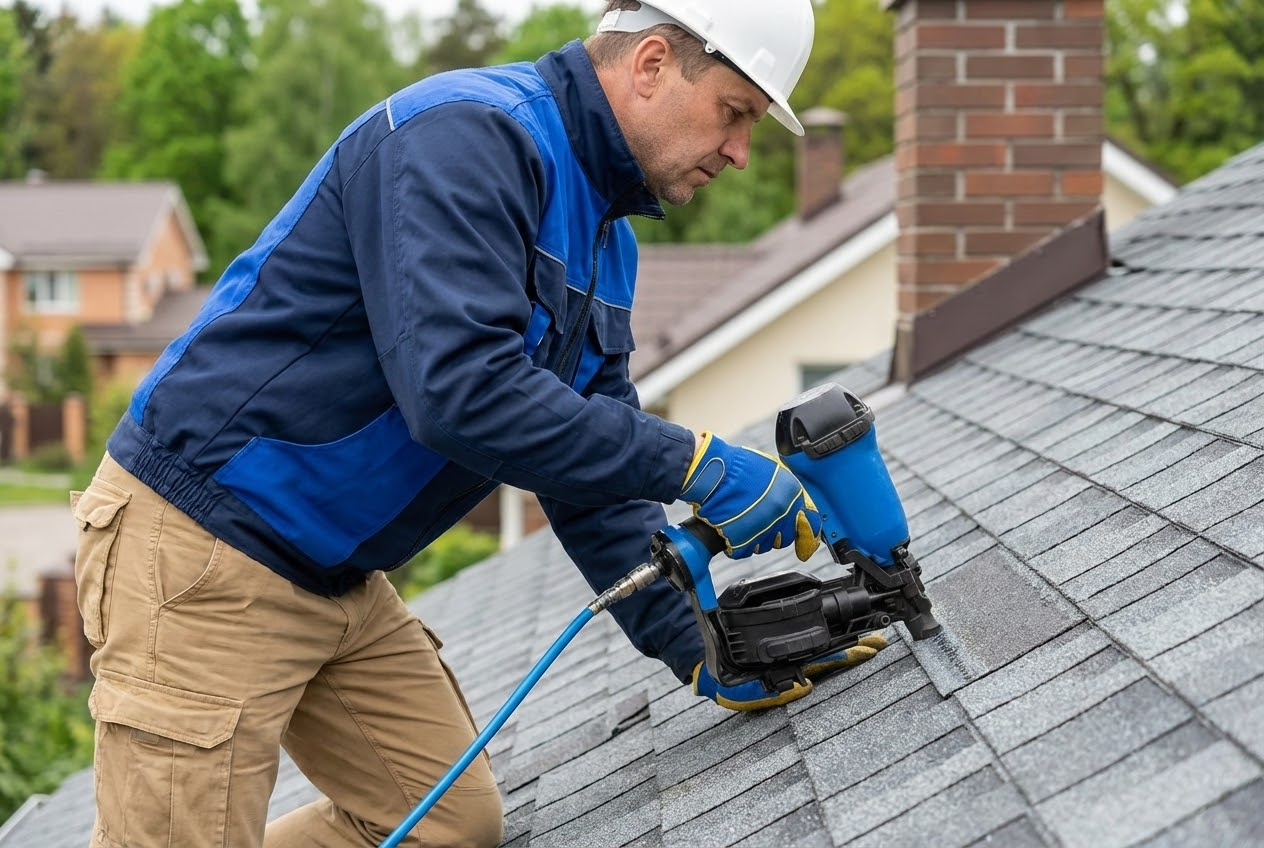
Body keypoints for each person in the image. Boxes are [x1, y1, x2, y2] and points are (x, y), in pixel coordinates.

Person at [70, 1, 880, 845]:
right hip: (206, 549)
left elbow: (586, 471)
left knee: (445, 827)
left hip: (334, 576)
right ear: (650, 64)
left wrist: (699, 648)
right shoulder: (464, 138)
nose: (741, 154)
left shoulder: (607, 240)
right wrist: (699, 464)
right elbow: (460, 391)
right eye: (736, 113)